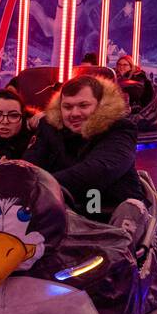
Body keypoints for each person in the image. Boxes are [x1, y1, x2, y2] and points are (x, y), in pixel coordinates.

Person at [25, 75, 146, 219]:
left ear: (100, 105)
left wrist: (39, 186)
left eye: (83, 105)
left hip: (107, 210)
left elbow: (99, 170)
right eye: (68, 107)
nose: (74, 113)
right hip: (60, 210)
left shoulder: (120, 129)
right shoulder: (49, 128)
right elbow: (31, 163)